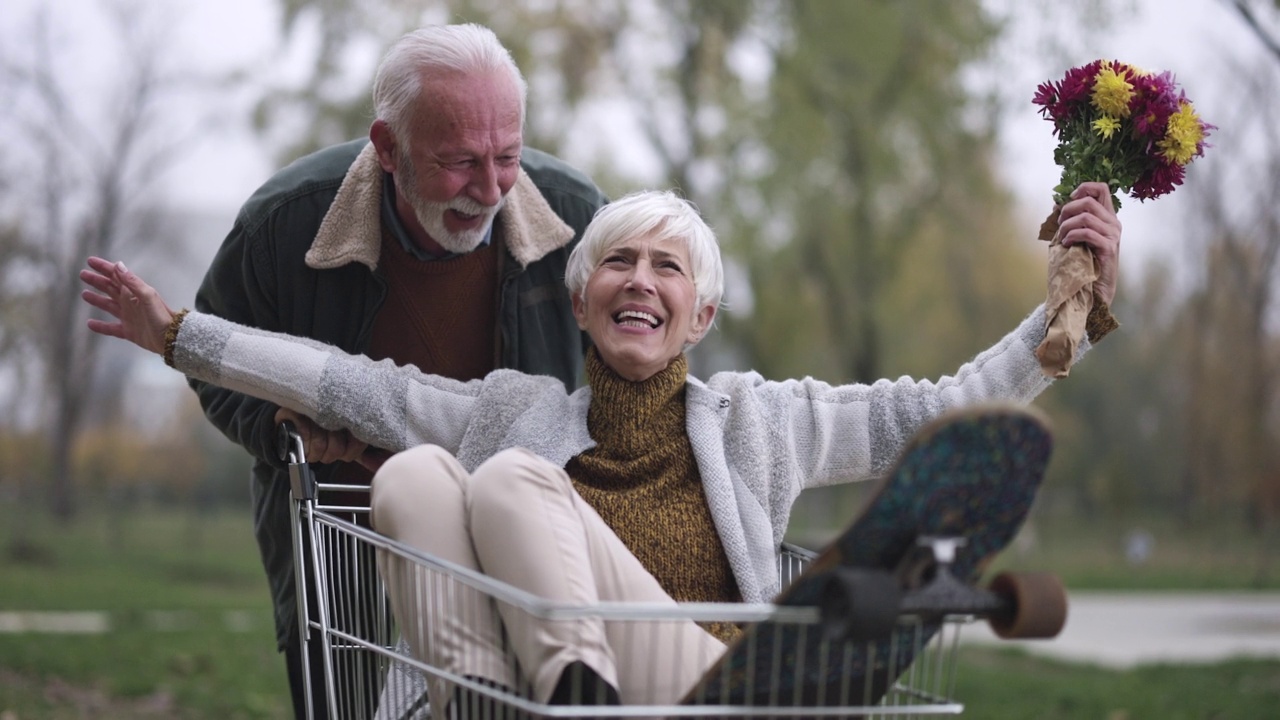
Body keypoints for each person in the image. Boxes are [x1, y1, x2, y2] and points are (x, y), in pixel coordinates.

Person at [81, 183, 1122, 717]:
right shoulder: (508, 408)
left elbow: (931, 411)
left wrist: (1053, 320)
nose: (638, 280)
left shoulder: (763, 420)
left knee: (517, 482)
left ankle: (578, 687)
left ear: (699, 312)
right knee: (410, 469)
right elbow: (346, 383)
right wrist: (179, 335)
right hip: (503, 691)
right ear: (580, 302)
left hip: (705, 695)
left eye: (666, 268)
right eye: (615, 261)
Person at [187, 22, 607, 718]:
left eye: (507, 155)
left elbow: (629, 366)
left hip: (516, 523)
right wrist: (281, 426)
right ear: (387, 147)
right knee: (347, 699)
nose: (491, 187)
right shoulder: (282, 226)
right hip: (342, 525)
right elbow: (214, 358)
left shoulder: (578, 218)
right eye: (459, 161)